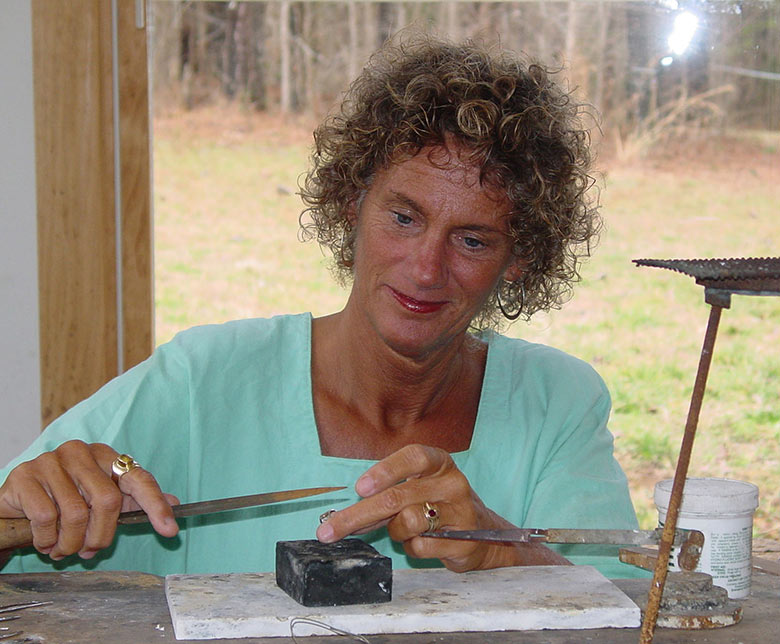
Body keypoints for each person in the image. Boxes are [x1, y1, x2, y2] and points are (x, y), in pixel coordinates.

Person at [0, 33, 642, 578]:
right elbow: (12, 530)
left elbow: (629, 609)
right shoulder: (203, 382)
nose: (426, 269)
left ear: (519, 261)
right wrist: (28, 507)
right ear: (348, 208)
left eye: (473, 240)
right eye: (403, 217)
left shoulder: (556, 402)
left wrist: (506, 550)